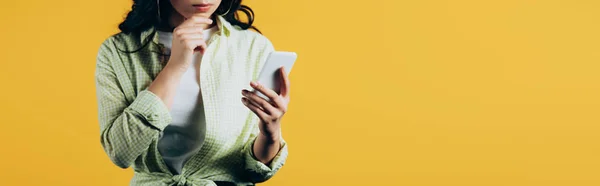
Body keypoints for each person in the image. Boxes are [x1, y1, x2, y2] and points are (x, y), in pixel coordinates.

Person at [94, 0, 291, 185]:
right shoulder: (117, 51)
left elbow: (255, 170)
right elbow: (119, 153)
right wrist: (174, 68)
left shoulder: (253, 47)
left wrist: (271, 131)